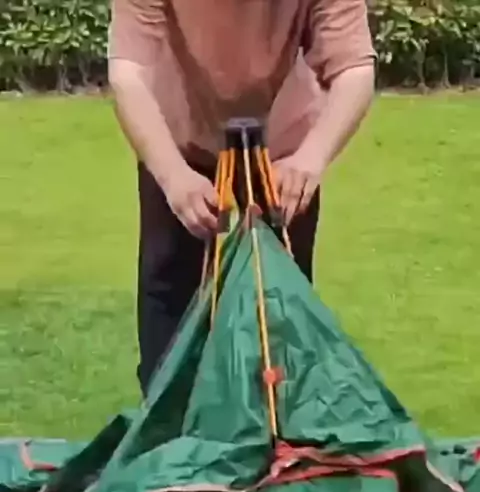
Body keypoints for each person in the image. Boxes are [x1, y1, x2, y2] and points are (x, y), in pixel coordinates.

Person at [108, 0, 376, 395]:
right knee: (169, 313)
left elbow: (354, 70)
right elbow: (128, 74)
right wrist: (172, 175)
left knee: (280, 314)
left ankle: (278, 424)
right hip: (180, 148)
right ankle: (169, 422)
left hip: (284, 158)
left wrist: (311, 158)